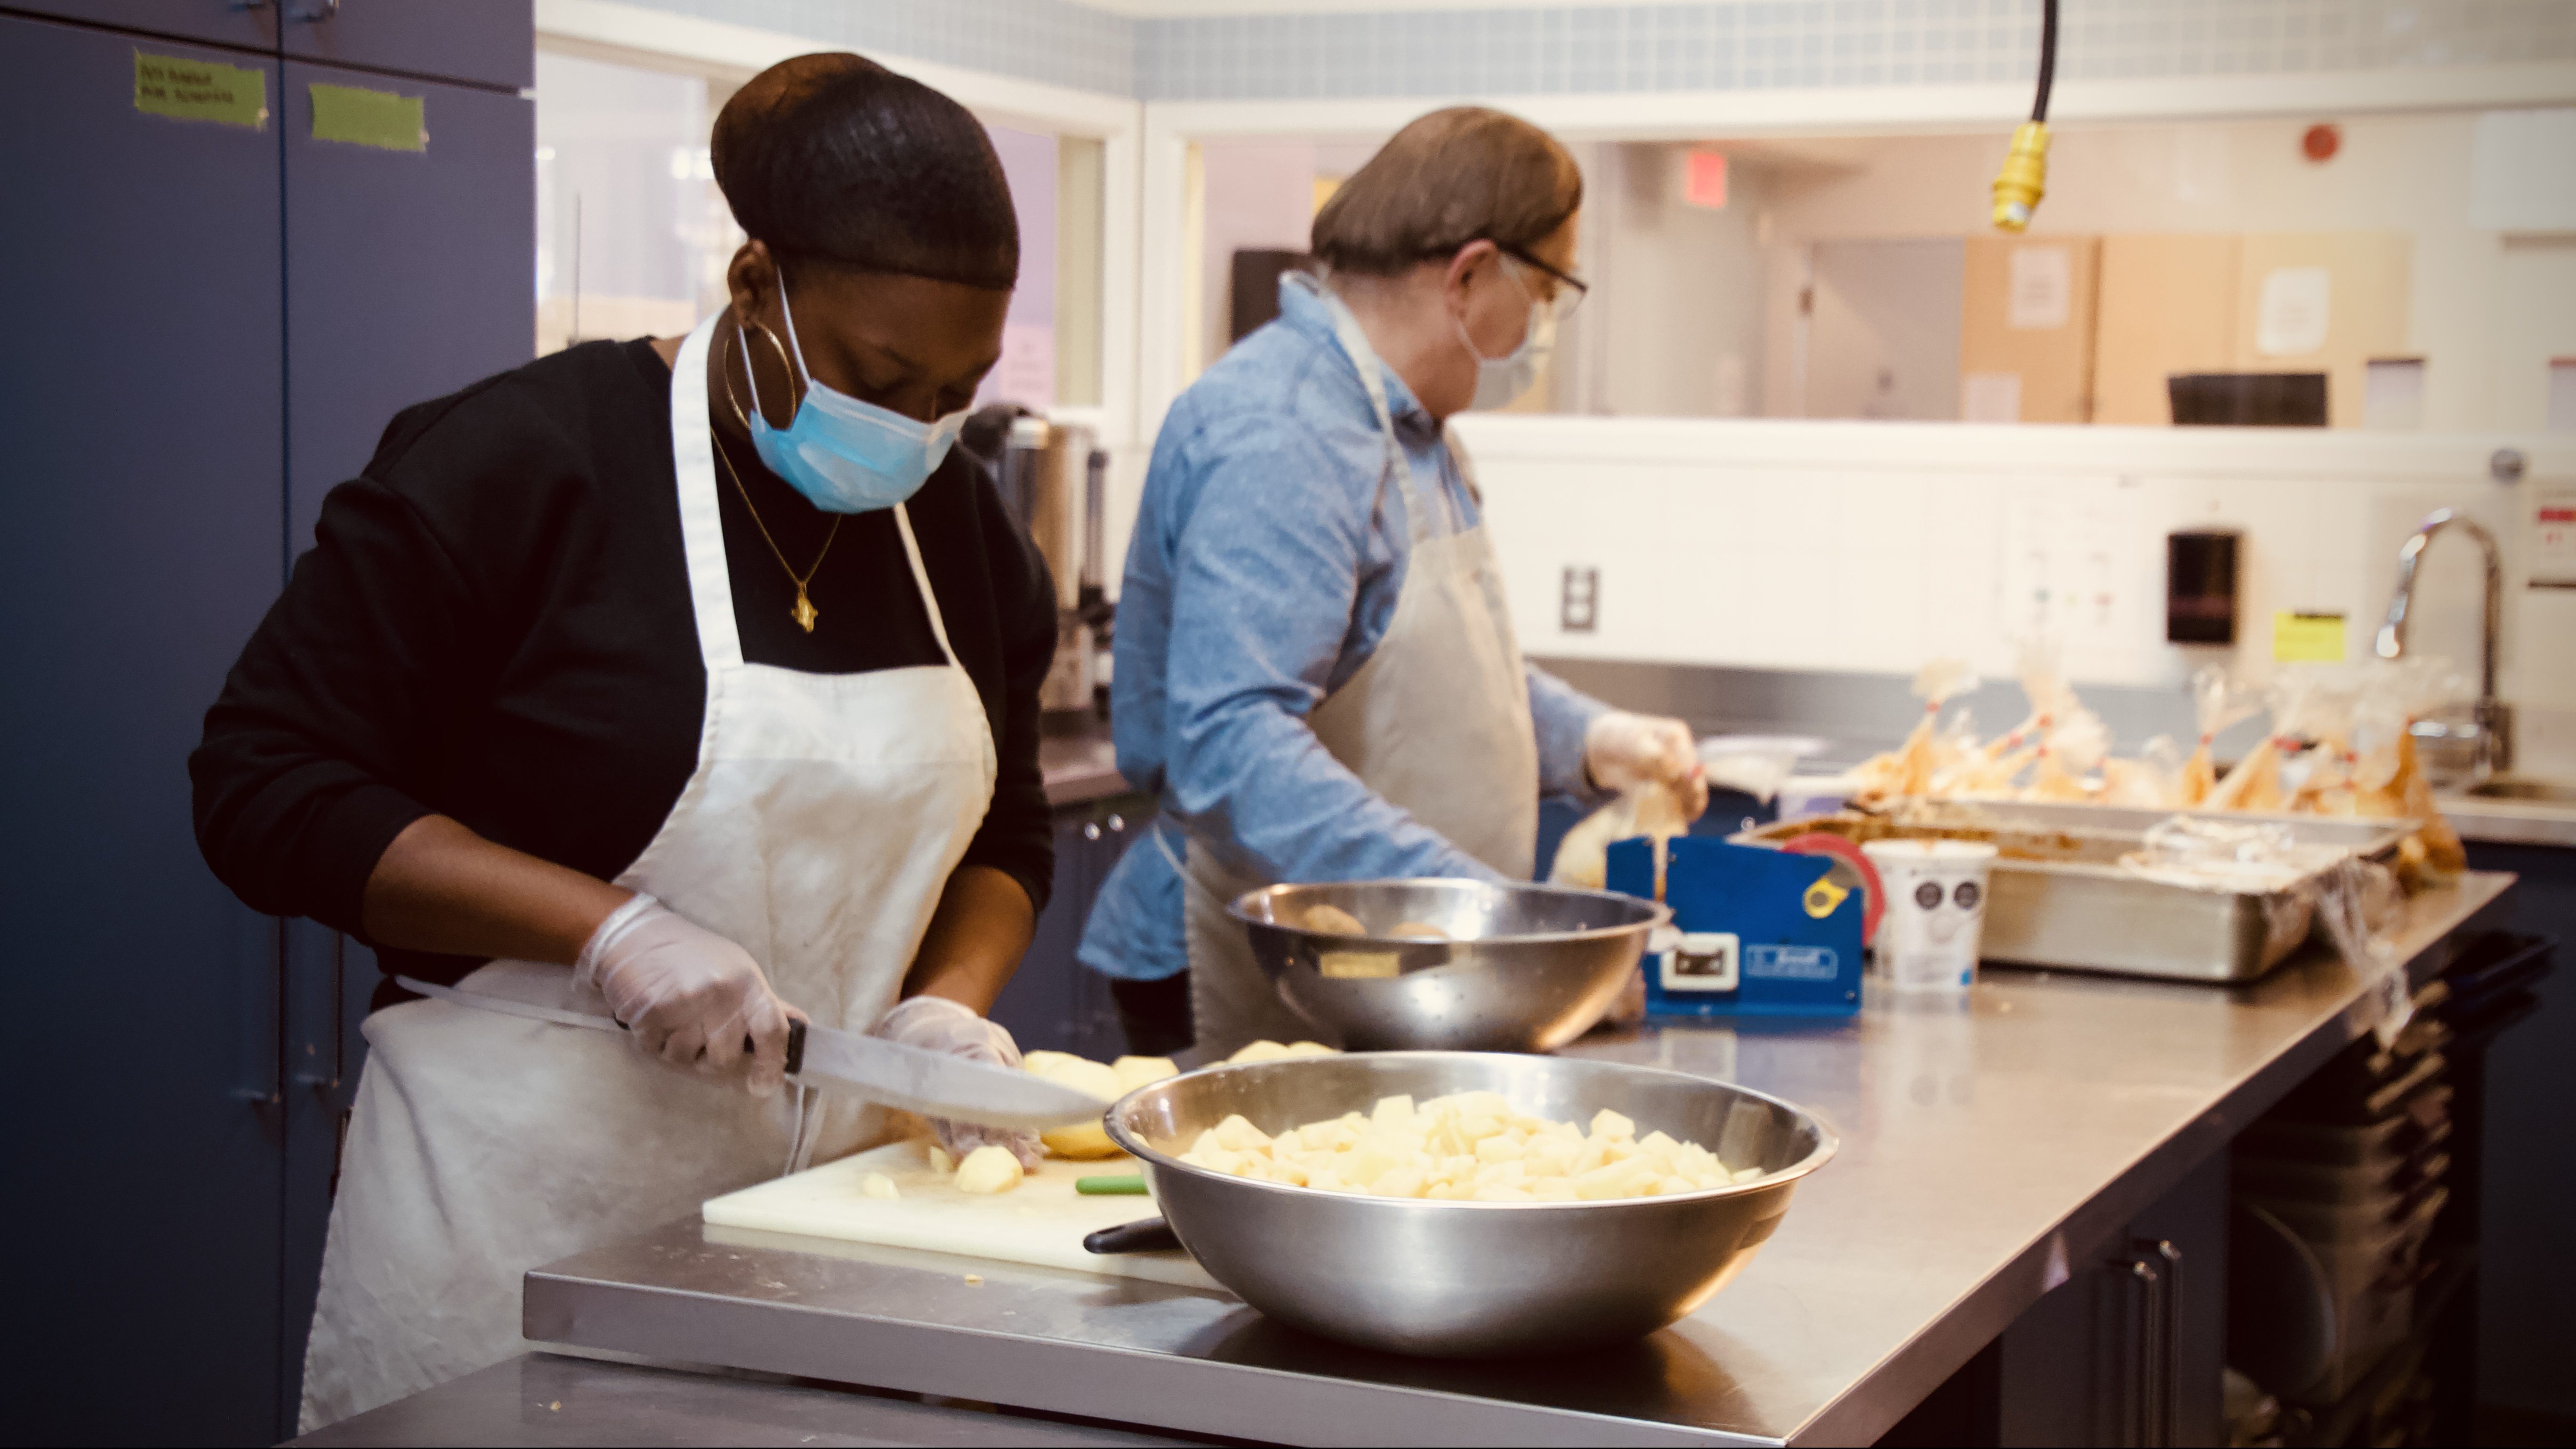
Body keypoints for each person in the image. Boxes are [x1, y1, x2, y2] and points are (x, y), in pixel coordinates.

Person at [189, 54, 1057, 1430]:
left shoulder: (957, 528)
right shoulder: (517, 467)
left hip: (829, 1234)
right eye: (881, 375)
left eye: (957, 386)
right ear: (756, 284)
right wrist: (607, 932)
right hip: (515, 1244)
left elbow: (1009, 832)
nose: (917, 426)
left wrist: (948, 998)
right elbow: (263, 783)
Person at [1077, 107, 1706, 1056]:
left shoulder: (1413, 433)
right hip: (1275, 970)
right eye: (1545, 290)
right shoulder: (1284, 434)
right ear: (1469, 275)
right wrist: (1482, 916)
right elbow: (1226, 744)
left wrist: (1593, 741)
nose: (1542, 328)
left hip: (1397, 975)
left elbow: (1436, 686)